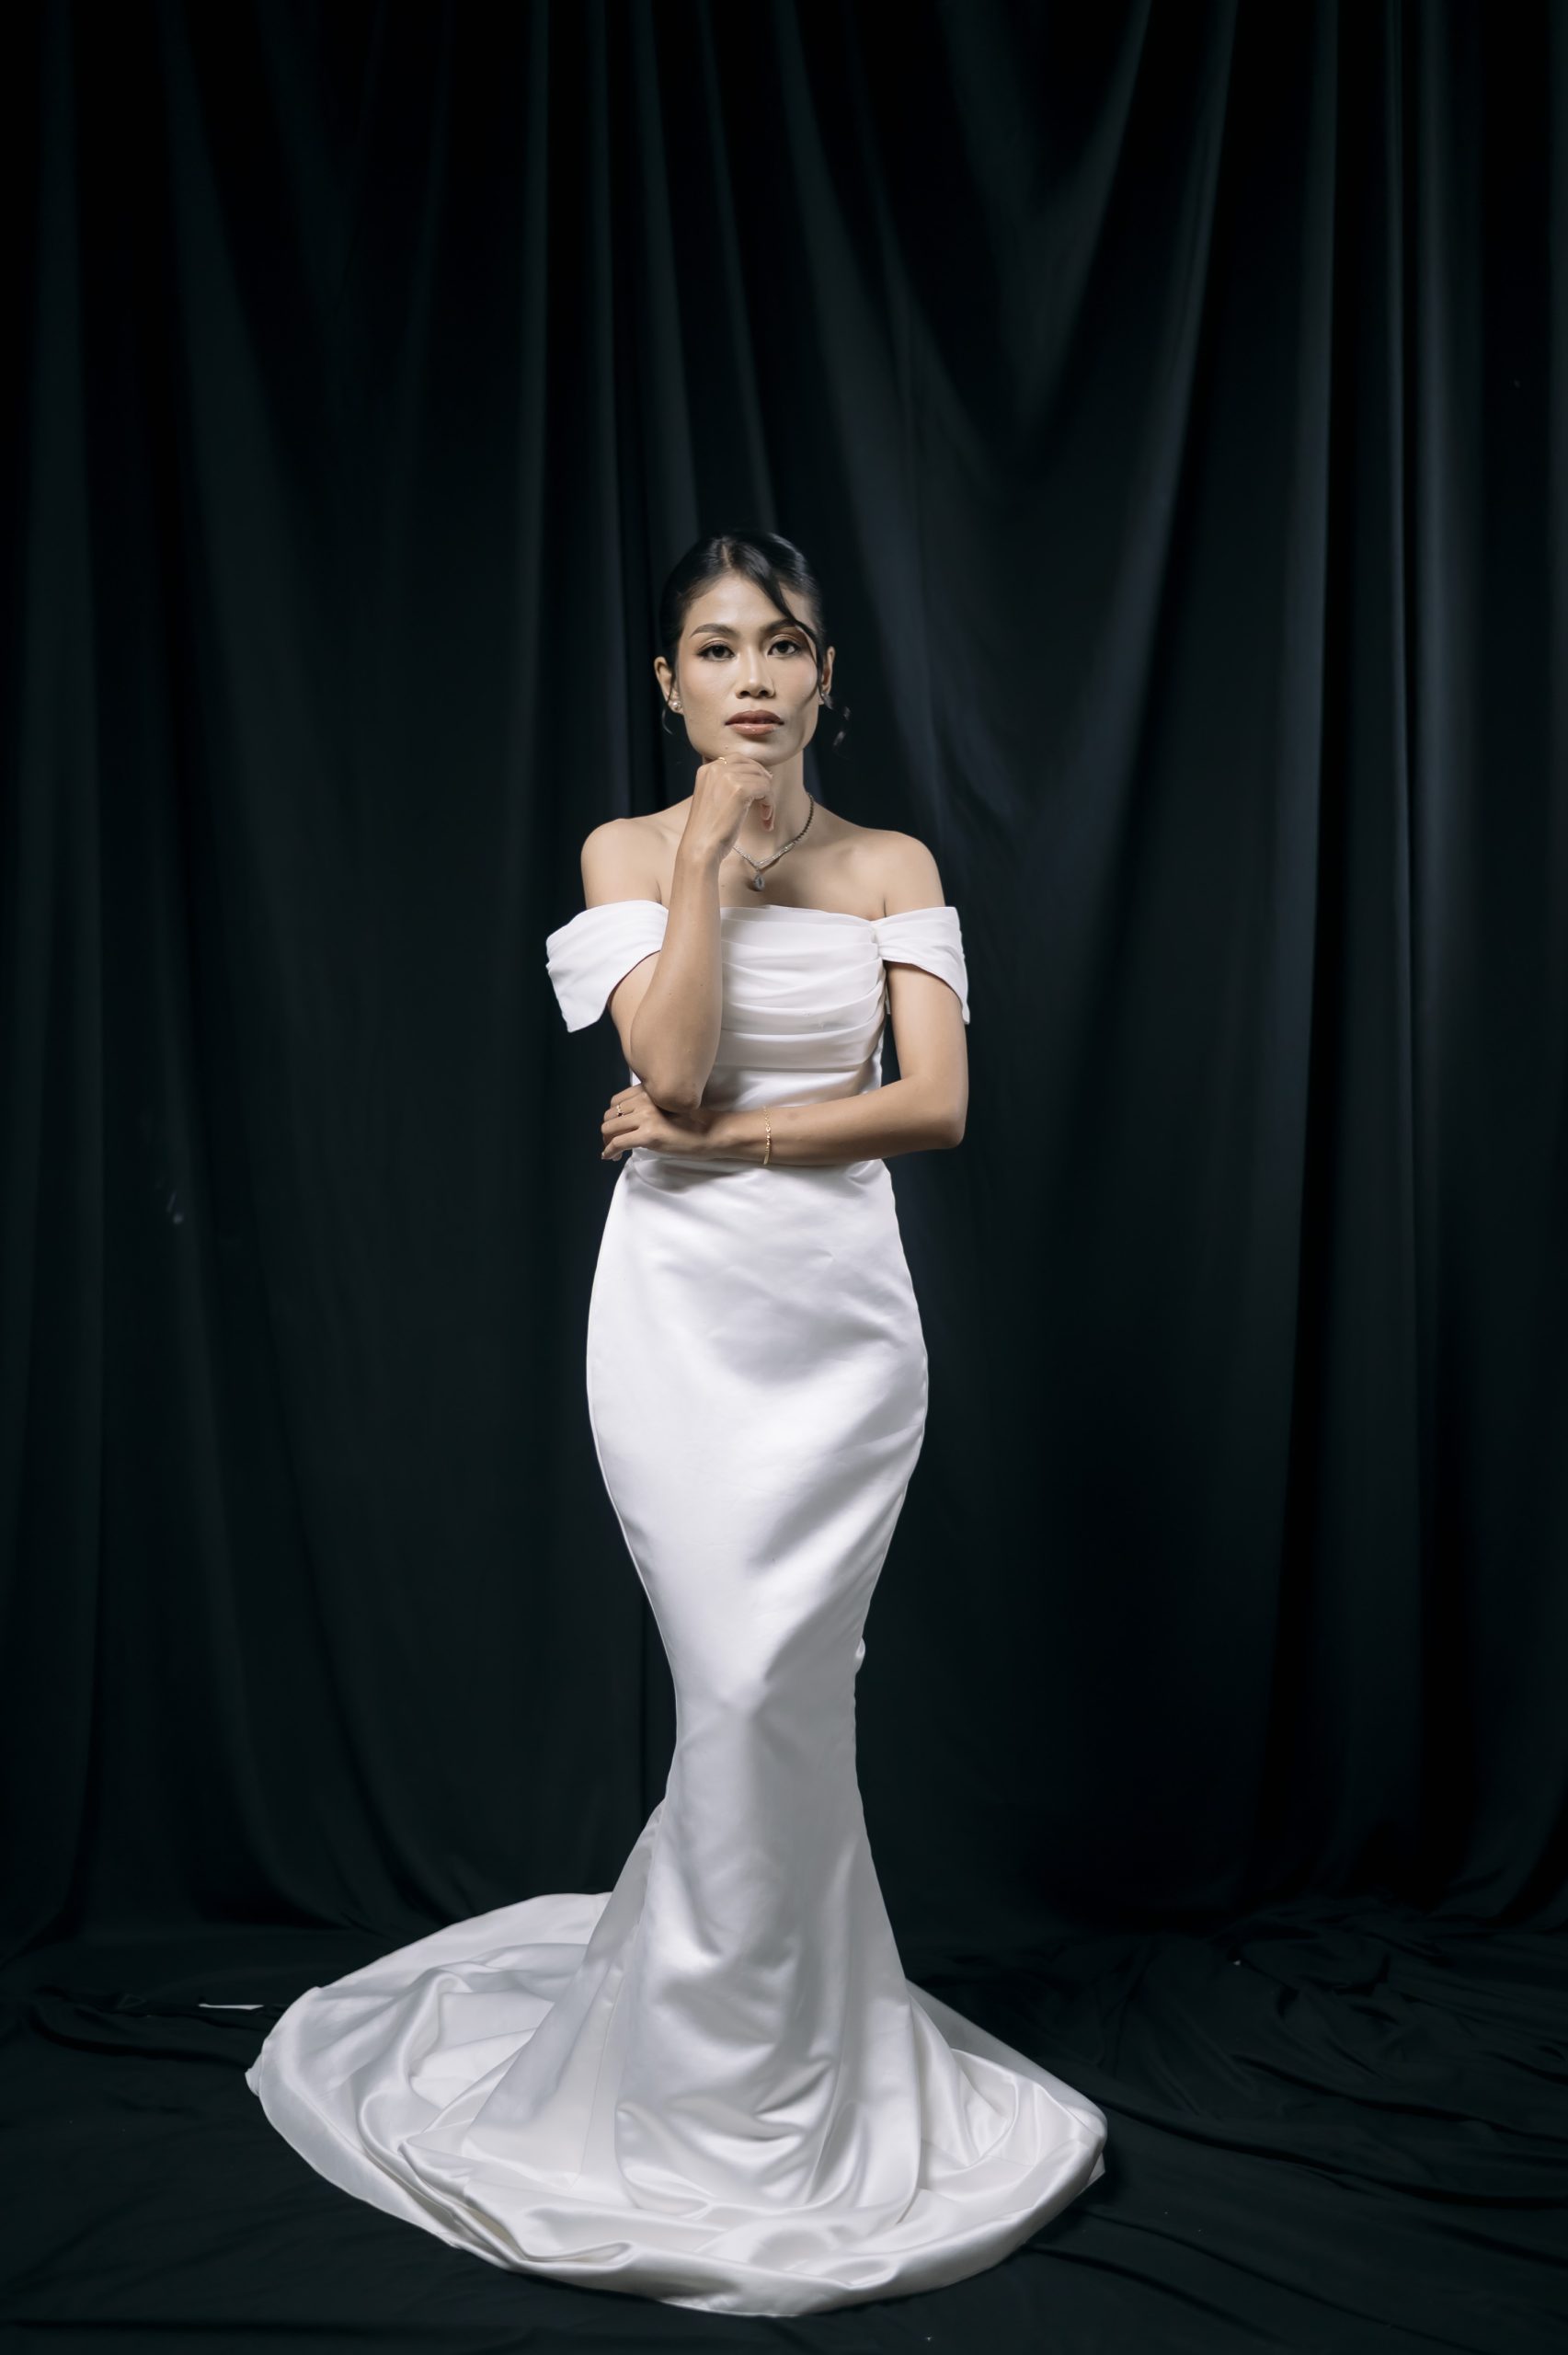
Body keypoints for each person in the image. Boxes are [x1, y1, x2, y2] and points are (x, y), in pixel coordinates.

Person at [245, 530, 1107, 2315]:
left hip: (841, 1329)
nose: (753, 677)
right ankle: (708, 2080)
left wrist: (726, 1139)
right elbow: (674, 1062)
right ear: (669, 683)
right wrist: (709, 863)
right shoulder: (625, 851)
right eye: (716, 648)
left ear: (825, 673)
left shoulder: (890, 863)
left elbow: (932, 1105)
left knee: (790, 1691)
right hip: (676, 1326)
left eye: (782, 644)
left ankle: (788, 2048)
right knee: (732, 1683)